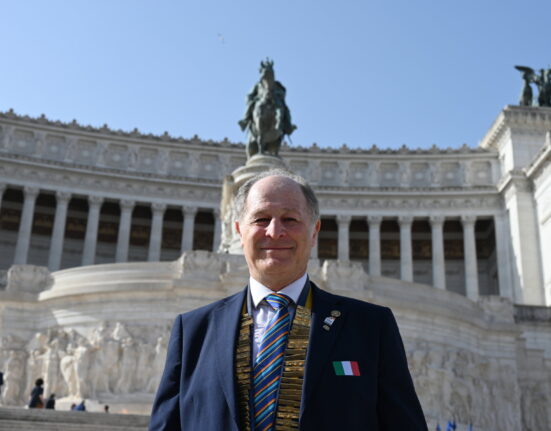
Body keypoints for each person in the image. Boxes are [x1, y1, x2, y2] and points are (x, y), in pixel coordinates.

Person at [149, 169, 428, 430]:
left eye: (290, 219)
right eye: (260, 219)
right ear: (238, 230)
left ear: (315, 231)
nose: (274, 231)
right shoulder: (193, 331)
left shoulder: (370, 327)